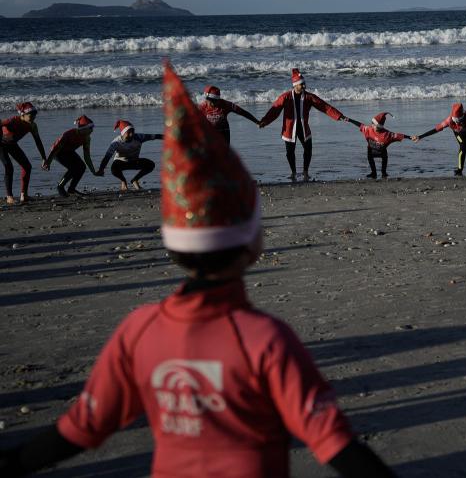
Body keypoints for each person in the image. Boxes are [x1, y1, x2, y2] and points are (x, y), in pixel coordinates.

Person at [0, 64, 394, 478]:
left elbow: (79, 429)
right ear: (253, 245)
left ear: (174, 248)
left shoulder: (138, 332)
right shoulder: (267, 341)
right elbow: (333, 441)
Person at [259, 68, 345, 181]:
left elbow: (324, 106)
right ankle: (293, 173)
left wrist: (338, 115)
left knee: (308, 150)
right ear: (295, 85)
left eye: (304, 84)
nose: (304, 86)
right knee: (290, 153)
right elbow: (275, 110)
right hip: (289, 129)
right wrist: (265, 121)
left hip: (304, 129)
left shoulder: (309, 97)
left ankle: (305, 172)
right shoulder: (285, 97)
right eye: (301, 84)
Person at [1, 102, 48, 205]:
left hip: (11, 144)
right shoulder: (13, 121)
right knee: (9, 167)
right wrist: (5, 132)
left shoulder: (32, 126)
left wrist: (44, 158)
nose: (33, 117)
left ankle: (24, 195)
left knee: (27, 166)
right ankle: (9, 197)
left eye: (35, 115)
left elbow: (38, 141)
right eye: (31, 115)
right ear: (22, 115)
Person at [96, 120, 163, 191]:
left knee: (150, 164)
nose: (131, 134)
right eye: (129, 132)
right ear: (123, 133)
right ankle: (123, 181)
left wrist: (172, 137)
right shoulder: (116, 142)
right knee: (113, 168)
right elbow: (107, 157)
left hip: (134, 162)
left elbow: (156, 136)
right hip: (121, 163)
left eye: (133, 131)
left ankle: (135, 180)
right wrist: (101, 169)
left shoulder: (139, 137)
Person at [43, 115, 98, 197]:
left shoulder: (87, 138)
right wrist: (48, 162)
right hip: (57, 152)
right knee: (73, 168)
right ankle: (60, 187)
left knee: (82, 167)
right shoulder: (68, 134)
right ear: (83, 128)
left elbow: (87, 156)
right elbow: (55, 149)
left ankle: (71, 189)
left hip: (69, 151)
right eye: (90, 128)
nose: (92, 130)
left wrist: (93, 171)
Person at [344, 112, 410, 179]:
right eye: (372, 124)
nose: (373, 126)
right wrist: (349, 120)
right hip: (371, 149)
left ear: (380, 126)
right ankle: (373, 173)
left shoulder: (387, 134)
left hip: (382, 150)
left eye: (375, 125)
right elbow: (359, 124)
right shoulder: (368, 129)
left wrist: (410, 137)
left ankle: (383, 172)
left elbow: (400, 135)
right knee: (370, 157)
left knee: (384, 158)